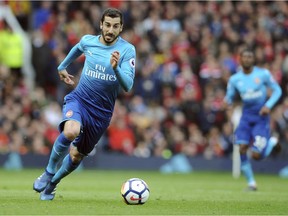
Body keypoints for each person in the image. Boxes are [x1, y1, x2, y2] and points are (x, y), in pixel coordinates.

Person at [33, 8, 136, 200]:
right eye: (107, 25)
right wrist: (62, 66)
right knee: (71, 131)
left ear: (121, 28)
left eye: (115, 26)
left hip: (101, 114)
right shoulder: (89, 40)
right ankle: (48, 172)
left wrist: (116, 69)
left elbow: (128, 86)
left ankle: (53, 183)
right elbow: (78, 48)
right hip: (79, 100)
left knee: (75, 156)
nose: (110, 30)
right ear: (101, 25)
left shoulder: (127, 50)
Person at [223, 48, 282, 191]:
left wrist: (268, 105)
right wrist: (226, 102)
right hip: (246, 117)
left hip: (261, 117)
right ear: (240, 59)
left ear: (253, 59)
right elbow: (229, 97)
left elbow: (277, 90)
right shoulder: (235, 79)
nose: (248, 59)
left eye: (250, 56)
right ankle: (251, 183)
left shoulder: (263, 74)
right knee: (242, 148)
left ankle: (271, 143)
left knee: (256, 155)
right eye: (245, 57)